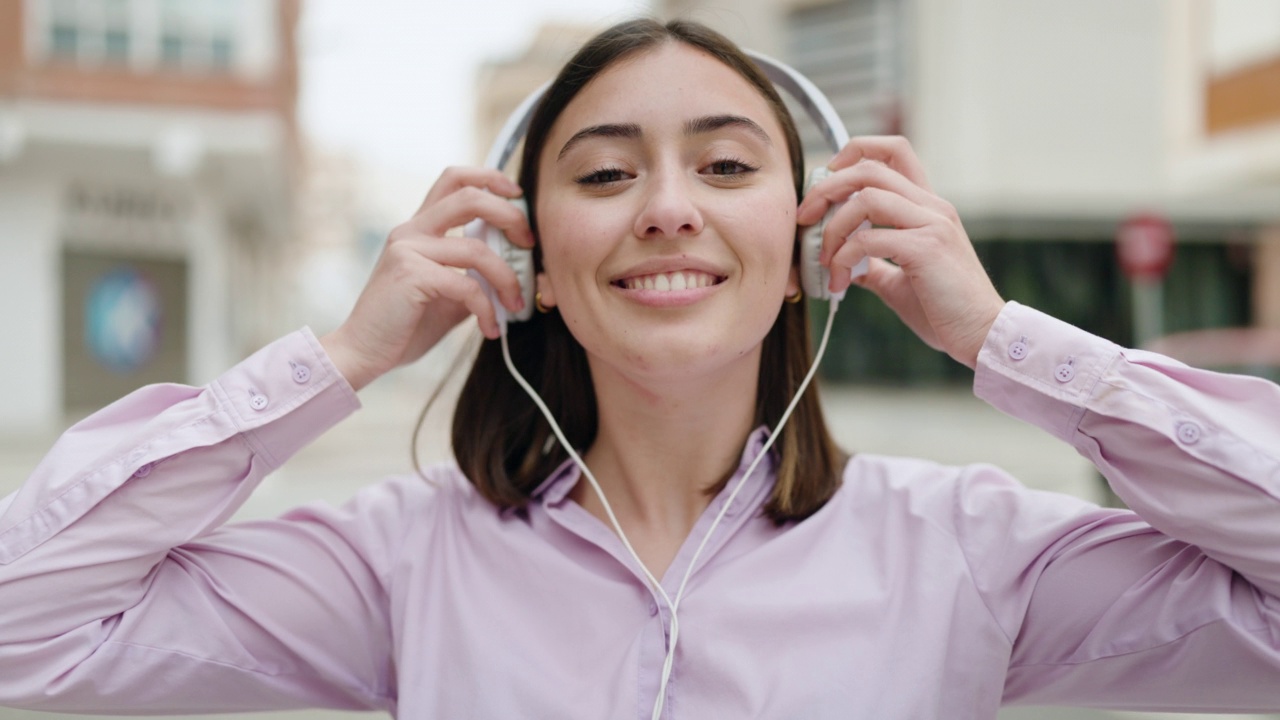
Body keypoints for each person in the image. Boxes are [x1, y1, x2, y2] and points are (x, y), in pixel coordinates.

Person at [2, 17, 1278, 720]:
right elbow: (24, 631)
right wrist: (343, 360)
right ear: (531, 260)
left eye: (725, 167)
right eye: (604, 173)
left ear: (806, 255)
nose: (666, 208)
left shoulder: (967, 552)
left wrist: (1002, 341)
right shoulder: (402, 564)